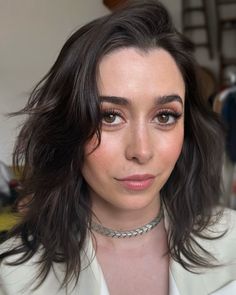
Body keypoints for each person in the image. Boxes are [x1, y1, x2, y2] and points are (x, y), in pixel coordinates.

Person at [0, 1, 236, 294]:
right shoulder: (14, 276)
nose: (141, 150)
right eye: (109, 116)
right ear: (68, 128)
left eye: (165, 116)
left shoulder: (231, 240)